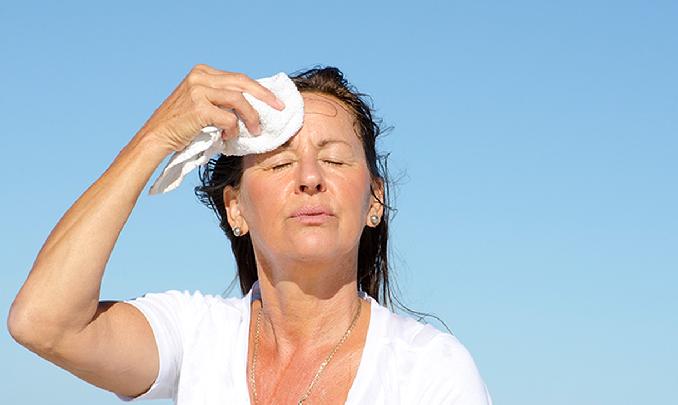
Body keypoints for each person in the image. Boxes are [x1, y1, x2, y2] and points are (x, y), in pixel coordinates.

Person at [8, 64, 493, 404]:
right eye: (280, 161)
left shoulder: (430, 371)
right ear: (235, 208)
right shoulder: (198, 336)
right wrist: (157, 137)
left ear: (374, 201)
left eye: (334, 159)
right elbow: (43, 323)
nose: (309, 177)